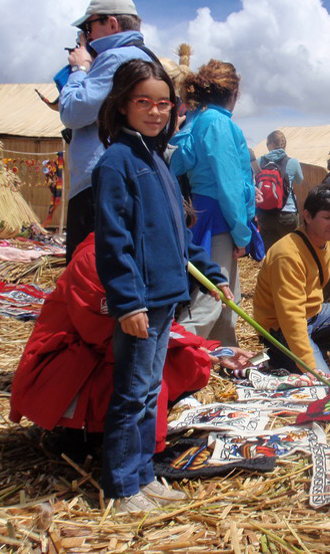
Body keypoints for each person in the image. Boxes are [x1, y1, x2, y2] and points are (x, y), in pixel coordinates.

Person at [92, 59, 233, 514]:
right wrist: (126, 301)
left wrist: (212, 275)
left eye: (163, 104)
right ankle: (120, 486)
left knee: (150, 391)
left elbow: (179, 237)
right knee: (132, 392)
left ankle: (143, 475)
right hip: (141, 302)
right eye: (143, 102)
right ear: (123, 105)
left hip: (165, 298)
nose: (155, 112)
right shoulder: (117, 162)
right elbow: (114, 241)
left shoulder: (156, 160)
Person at [9, 232, 253, 455]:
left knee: (189, 361)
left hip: (111, 349)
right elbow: (109, 337)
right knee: (172, 363)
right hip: (69, 366)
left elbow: (159, 323)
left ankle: (115, 435)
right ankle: (87, 435)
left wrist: (207, 348)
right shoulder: (97, 261)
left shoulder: (147, 251)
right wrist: (194, 350)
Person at [59, 0, 156, 264]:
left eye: (89, 27)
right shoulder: (144, 57)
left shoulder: (114, 59)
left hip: (97, 179)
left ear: (112, 24)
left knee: (87, 266)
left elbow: (73, 113)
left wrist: (79, 69)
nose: (87, 36)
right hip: (126, 172)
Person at [169, 60, 256, 346]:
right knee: (210, 298)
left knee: (229, 295)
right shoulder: (218, 124)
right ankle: (174, 355)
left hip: (206, 213)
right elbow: (229, 183)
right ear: (234, 94)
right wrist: (241, 232)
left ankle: (225, 356)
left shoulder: (199, 119)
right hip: (220, 217)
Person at [253, 186, 330, 374]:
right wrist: (310, 366)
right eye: (327, 218)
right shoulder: (287, 255)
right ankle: (283, 355)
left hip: (315, 315)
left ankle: (311, 349)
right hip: (281, 329)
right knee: (321, 382)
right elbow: (291, 317)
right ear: (308, 216)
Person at [256, 130, 303, 250]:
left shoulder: (260, 161)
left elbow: (255, 181)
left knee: (270, 253)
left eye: (267, 144)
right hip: (288, 213)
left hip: (265, 213)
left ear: (271, 144)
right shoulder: (293, 162)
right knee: (290, 251)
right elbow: (299, 180)